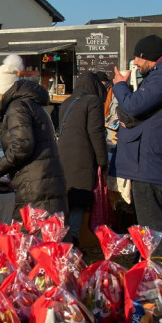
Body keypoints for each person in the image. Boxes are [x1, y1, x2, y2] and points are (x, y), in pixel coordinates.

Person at [111, 35, 162, 260]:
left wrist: (120, 85)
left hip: (149, 160)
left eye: (138, 57)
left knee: (152, 225)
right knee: (145, 223)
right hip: (145, 160)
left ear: (148, 56)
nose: (135, 62)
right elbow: (134, 110)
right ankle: (145, 268)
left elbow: (133, 106)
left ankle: (156, 276)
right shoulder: (160, 77)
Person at [0, 55, 67, 214]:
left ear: (2, 92)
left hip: (35, 184)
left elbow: (22, 145)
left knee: (36, 236)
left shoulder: (17, 107)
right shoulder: (29, 103)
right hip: (43, 180)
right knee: (49, 234)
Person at [57, 71, 108, 244]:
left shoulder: (67, 102)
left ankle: (64, 240)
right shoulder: (92, 102)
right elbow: (96, 132)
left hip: (63, 157)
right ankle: (75, 242)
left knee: (68, 199)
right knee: (79, 199)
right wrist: (103, 159)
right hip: (82, 158)